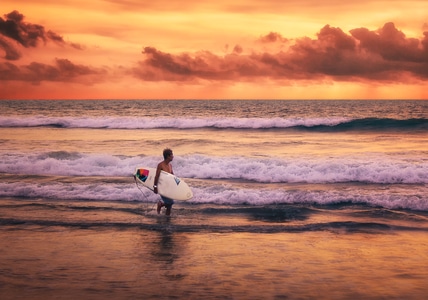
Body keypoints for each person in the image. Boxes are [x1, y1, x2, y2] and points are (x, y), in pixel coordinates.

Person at [154, 148, 175, 216]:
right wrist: (155, 187)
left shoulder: (170, 165)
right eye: (172, 155)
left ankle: (167, 218)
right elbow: (156, 176)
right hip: (162, 187)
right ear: (168, 156)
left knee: (169, 206)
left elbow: (172, 176)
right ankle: (160, 204)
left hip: (168, 187)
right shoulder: (160, 165)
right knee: (170, 202)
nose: (173, 156)